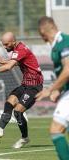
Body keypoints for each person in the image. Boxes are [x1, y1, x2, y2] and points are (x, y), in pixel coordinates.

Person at [0, 32, 43, 149]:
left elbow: (9, 67)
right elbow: (16, 63)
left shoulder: (20, 50)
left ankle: (24, 138)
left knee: (18, 111)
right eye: (3, 44)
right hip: (25, 84)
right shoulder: (17, 49)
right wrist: (3, 61)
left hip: (34, 87)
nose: (4, 47)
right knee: (9, 102)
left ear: (13, 41)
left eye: (6, 44)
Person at [36, 16, 69, 160]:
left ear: (43, 30)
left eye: (40, 33)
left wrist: (50, 89)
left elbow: (68, 70)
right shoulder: (56, 46)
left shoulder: (64, 42)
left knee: (56, 130)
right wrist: (58, 90)